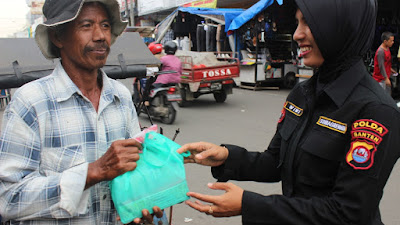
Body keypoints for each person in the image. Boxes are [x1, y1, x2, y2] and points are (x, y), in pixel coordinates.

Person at [177, 0, 400, 224]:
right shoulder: (302, 93)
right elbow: (276, 162)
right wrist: (226, 156)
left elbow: (348, 212)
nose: (296, 35)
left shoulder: (376, 111)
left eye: (308, 23)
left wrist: (249, 205)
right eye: (297, 22)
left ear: (342, 27)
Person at [0, 0, 163, 224]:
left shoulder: (121, 96)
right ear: (58, 37)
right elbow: (8, 199)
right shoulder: (31, 103)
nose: (100, 36)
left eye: (105, 26)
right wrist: (92, 172)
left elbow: (132, 173)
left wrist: (140, 203)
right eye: (86, 25)